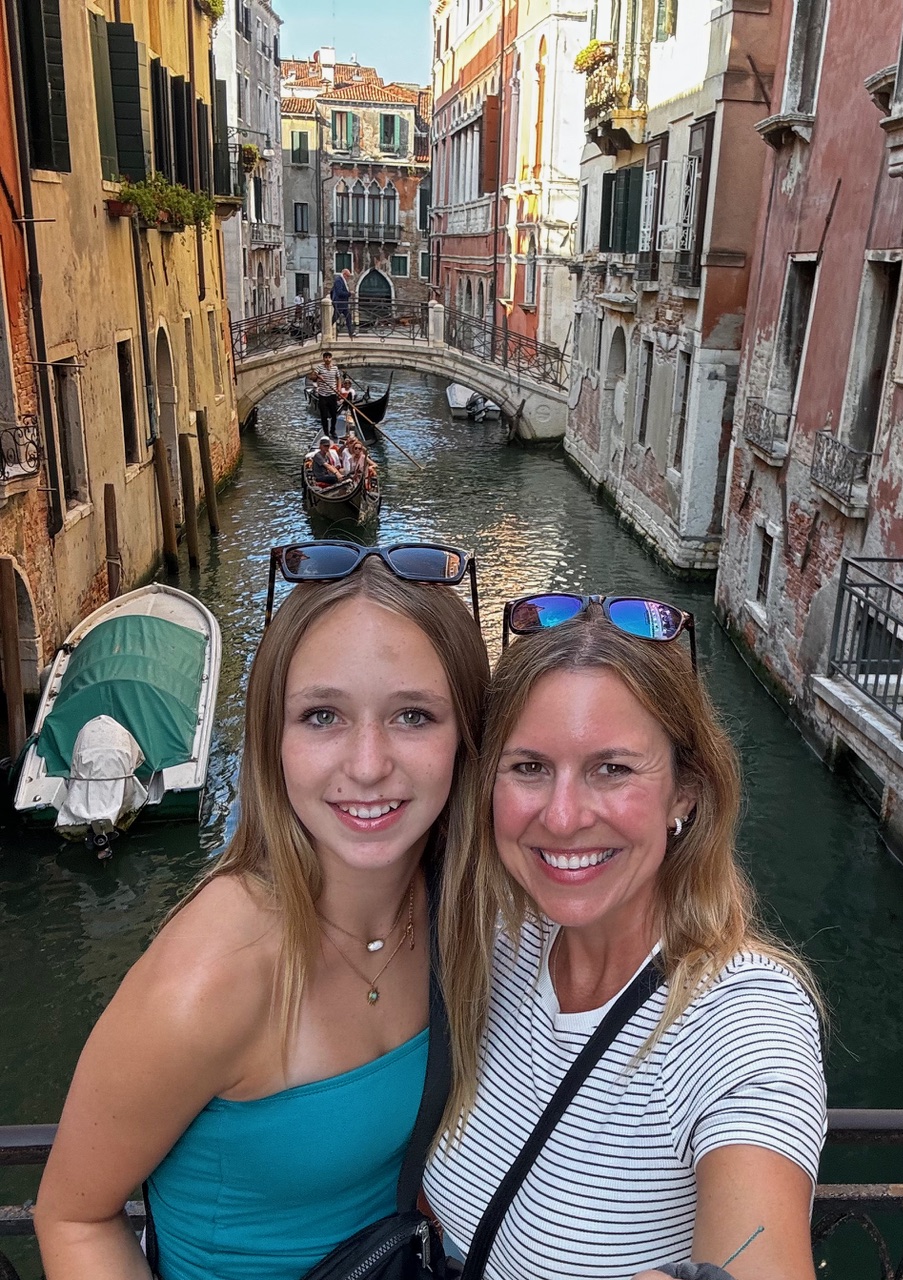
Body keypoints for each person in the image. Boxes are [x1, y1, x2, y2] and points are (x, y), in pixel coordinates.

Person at [34, 545, 490, 1280]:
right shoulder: (210, 980)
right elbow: (74, 1218)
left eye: (413, 715)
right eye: (322, 716)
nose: (368, 764)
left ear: (466, 738)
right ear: (271, 743)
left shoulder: (459, 913)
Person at [427, 594, 827, 1280]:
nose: (561, 816)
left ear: (686, 792)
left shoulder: (745, 1017)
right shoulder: (500, 943)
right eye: (529, 767)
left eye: (612, 769)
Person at [309, 350, 342, 438]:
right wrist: (318, 376)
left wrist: (338, 389)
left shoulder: (335, 368)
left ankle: (332, 431)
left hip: (332, 394)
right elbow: (311, 377)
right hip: (322, 395)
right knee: (324, 416)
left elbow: (338, 379)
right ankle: (326, 433)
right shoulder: (319, 367)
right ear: (323, 359)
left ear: (331, 358)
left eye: (329, 357)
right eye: (325, 357)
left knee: (334, 415)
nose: (327, 359)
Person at [331, 268, 354, 338]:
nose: (348, 278)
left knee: (348, 316)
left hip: (343, 303)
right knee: (335, 318)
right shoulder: (338, 280)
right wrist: (349, 293)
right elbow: (339, 292)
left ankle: (350, 333)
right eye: (347, 276)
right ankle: (325, 330)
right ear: (344, 274)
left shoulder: (341, 280)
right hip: (339, 303)